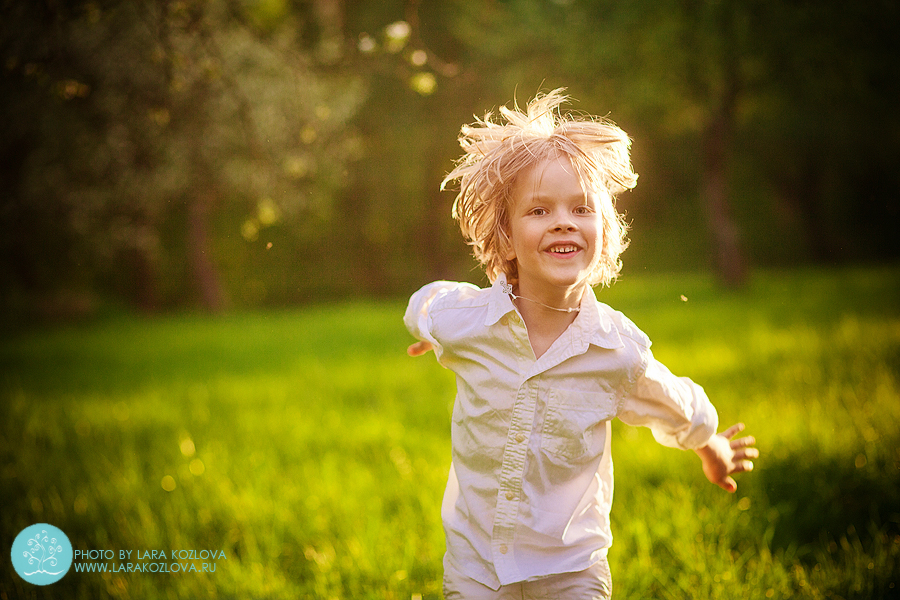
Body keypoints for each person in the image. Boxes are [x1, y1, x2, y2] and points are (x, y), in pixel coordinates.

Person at [404, 89, 758, 599]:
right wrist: (428, 334)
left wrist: (711, 445)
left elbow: (671, 400)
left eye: (581, 208)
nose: (564, 220)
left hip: (571, 571)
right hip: (476, 564)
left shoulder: (616, 350)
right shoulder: (467, 322)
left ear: (604, 231)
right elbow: (426, 304)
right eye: (540, 210)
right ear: (505, 237)